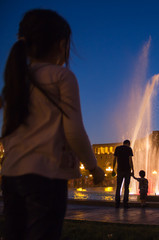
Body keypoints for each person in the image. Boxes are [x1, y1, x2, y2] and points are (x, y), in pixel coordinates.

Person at [0, 9, 104, 240]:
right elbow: (74, 131)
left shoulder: (17, 79)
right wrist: (93, 167)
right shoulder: (61, 76)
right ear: (61, 44)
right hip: (46, 176)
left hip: (11, 176)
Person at [112, 139, 134, 208]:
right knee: (126, 187)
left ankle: (117, 203)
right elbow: (130, 160)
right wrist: (132, 169)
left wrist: (113, 169)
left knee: (118, 186)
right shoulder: (129, 149)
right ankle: (125, 203)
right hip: (127, 170)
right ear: (128, 144)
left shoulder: (117, 148)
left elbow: (115, 159)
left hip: (119, 170)